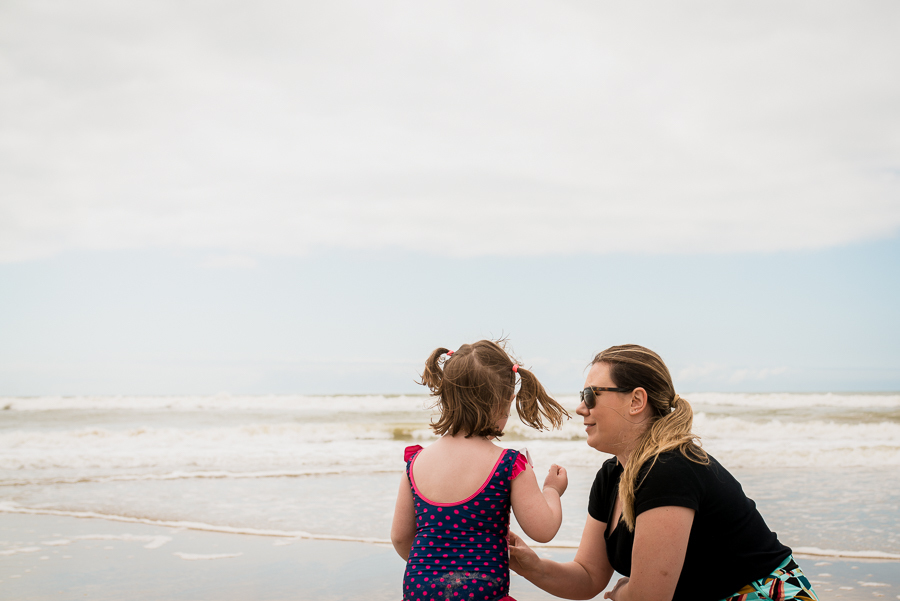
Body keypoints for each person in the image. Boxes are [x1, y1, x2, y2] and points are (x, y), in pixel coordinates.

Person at [506, 344, 819, 601]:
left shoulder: (669, 468)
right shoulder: (611, 475)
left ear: (636, 401)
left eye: (591, 395)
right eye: (581, 396)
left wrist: (625, 593)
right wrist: (531, 567)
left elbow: (648, 597)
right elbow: (588, 577)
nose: (580, 408)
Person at [391, 340, 570, 601]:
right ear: (504, 404)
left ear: (445, 397)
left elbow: (400, 538)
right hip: (483, 592)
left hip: (421, 591)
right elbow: (543, 530)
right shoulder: (508, 465)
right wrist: (551, 490)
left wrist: (439, 568)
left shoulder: (416, 463)